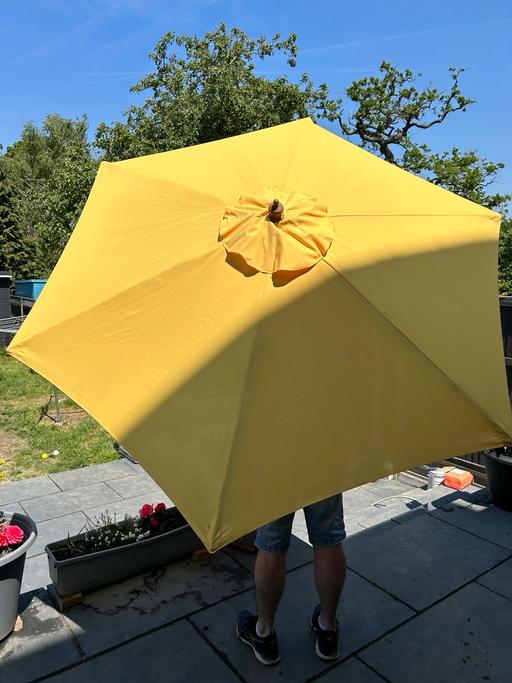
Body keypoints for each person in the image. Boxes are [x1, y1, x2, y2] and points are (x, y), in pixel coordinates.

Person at [236, 494, 347, 665]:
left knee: (270, 543)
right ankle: (328, 629)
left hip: (274, 470)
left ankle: (264, 632)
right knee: (328, 538)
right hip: (321, 468)